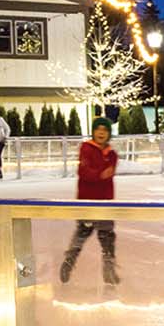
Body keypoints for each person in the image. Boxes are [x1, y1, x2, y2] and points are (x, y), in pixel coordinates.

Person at [59, 117, 120, 287]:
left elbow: (110, 172)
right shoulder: (86, 148)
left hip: (106, 203)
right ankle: (68, 263)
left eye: (105, 130)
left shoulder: (112, 154)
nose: (101, 132)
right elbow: (84, 171)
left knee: (107, 237)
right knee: (82, 233)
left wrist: (99, 173)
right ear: (93, 131)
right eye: (98, 129)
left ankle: (109, 270)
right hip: (87, 201)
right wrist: (100, 174)